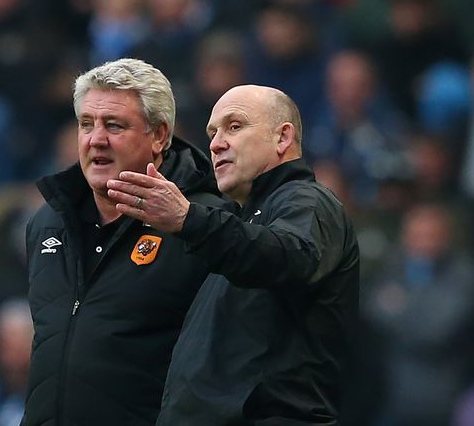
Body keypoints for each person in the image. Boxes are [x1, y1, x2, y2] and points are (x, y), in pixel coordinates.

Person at [107, 84, 360, 424]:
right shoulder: (238, 223)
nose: (216, 143)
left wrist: (188, 219)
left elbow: (291, 257)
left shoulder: (307, 201)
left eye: (234, 126)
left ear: (283, 138)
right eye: (212, 132)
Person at [21, 58, 224, 425]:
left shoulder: (204, 224)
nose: (96, 139)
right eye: (87, 124)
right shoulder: (48, 224)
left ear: (159, 136)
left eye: (114, 125)